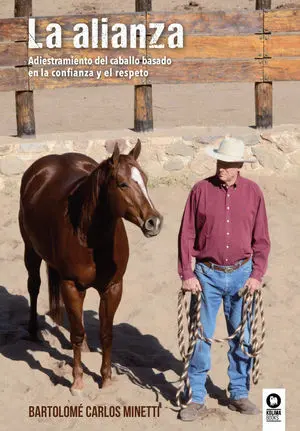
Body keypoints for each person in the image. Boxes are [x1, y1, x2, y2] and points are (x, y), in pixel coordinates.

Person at [178, 137, 271, 421]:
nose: (222, 169)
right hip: (206, 275)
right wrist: (187, 273)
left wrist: (256, 275)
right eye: (220, 162)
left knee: (242, 337)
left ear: (239, 166)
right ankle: (196, 395)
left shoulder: (254, 193)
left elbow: (262, 239)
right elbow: (186, 235)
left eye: (228, 165)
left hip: (243, 276)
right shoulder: (200, 191)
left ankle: (239, 392)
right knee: (200, 336)